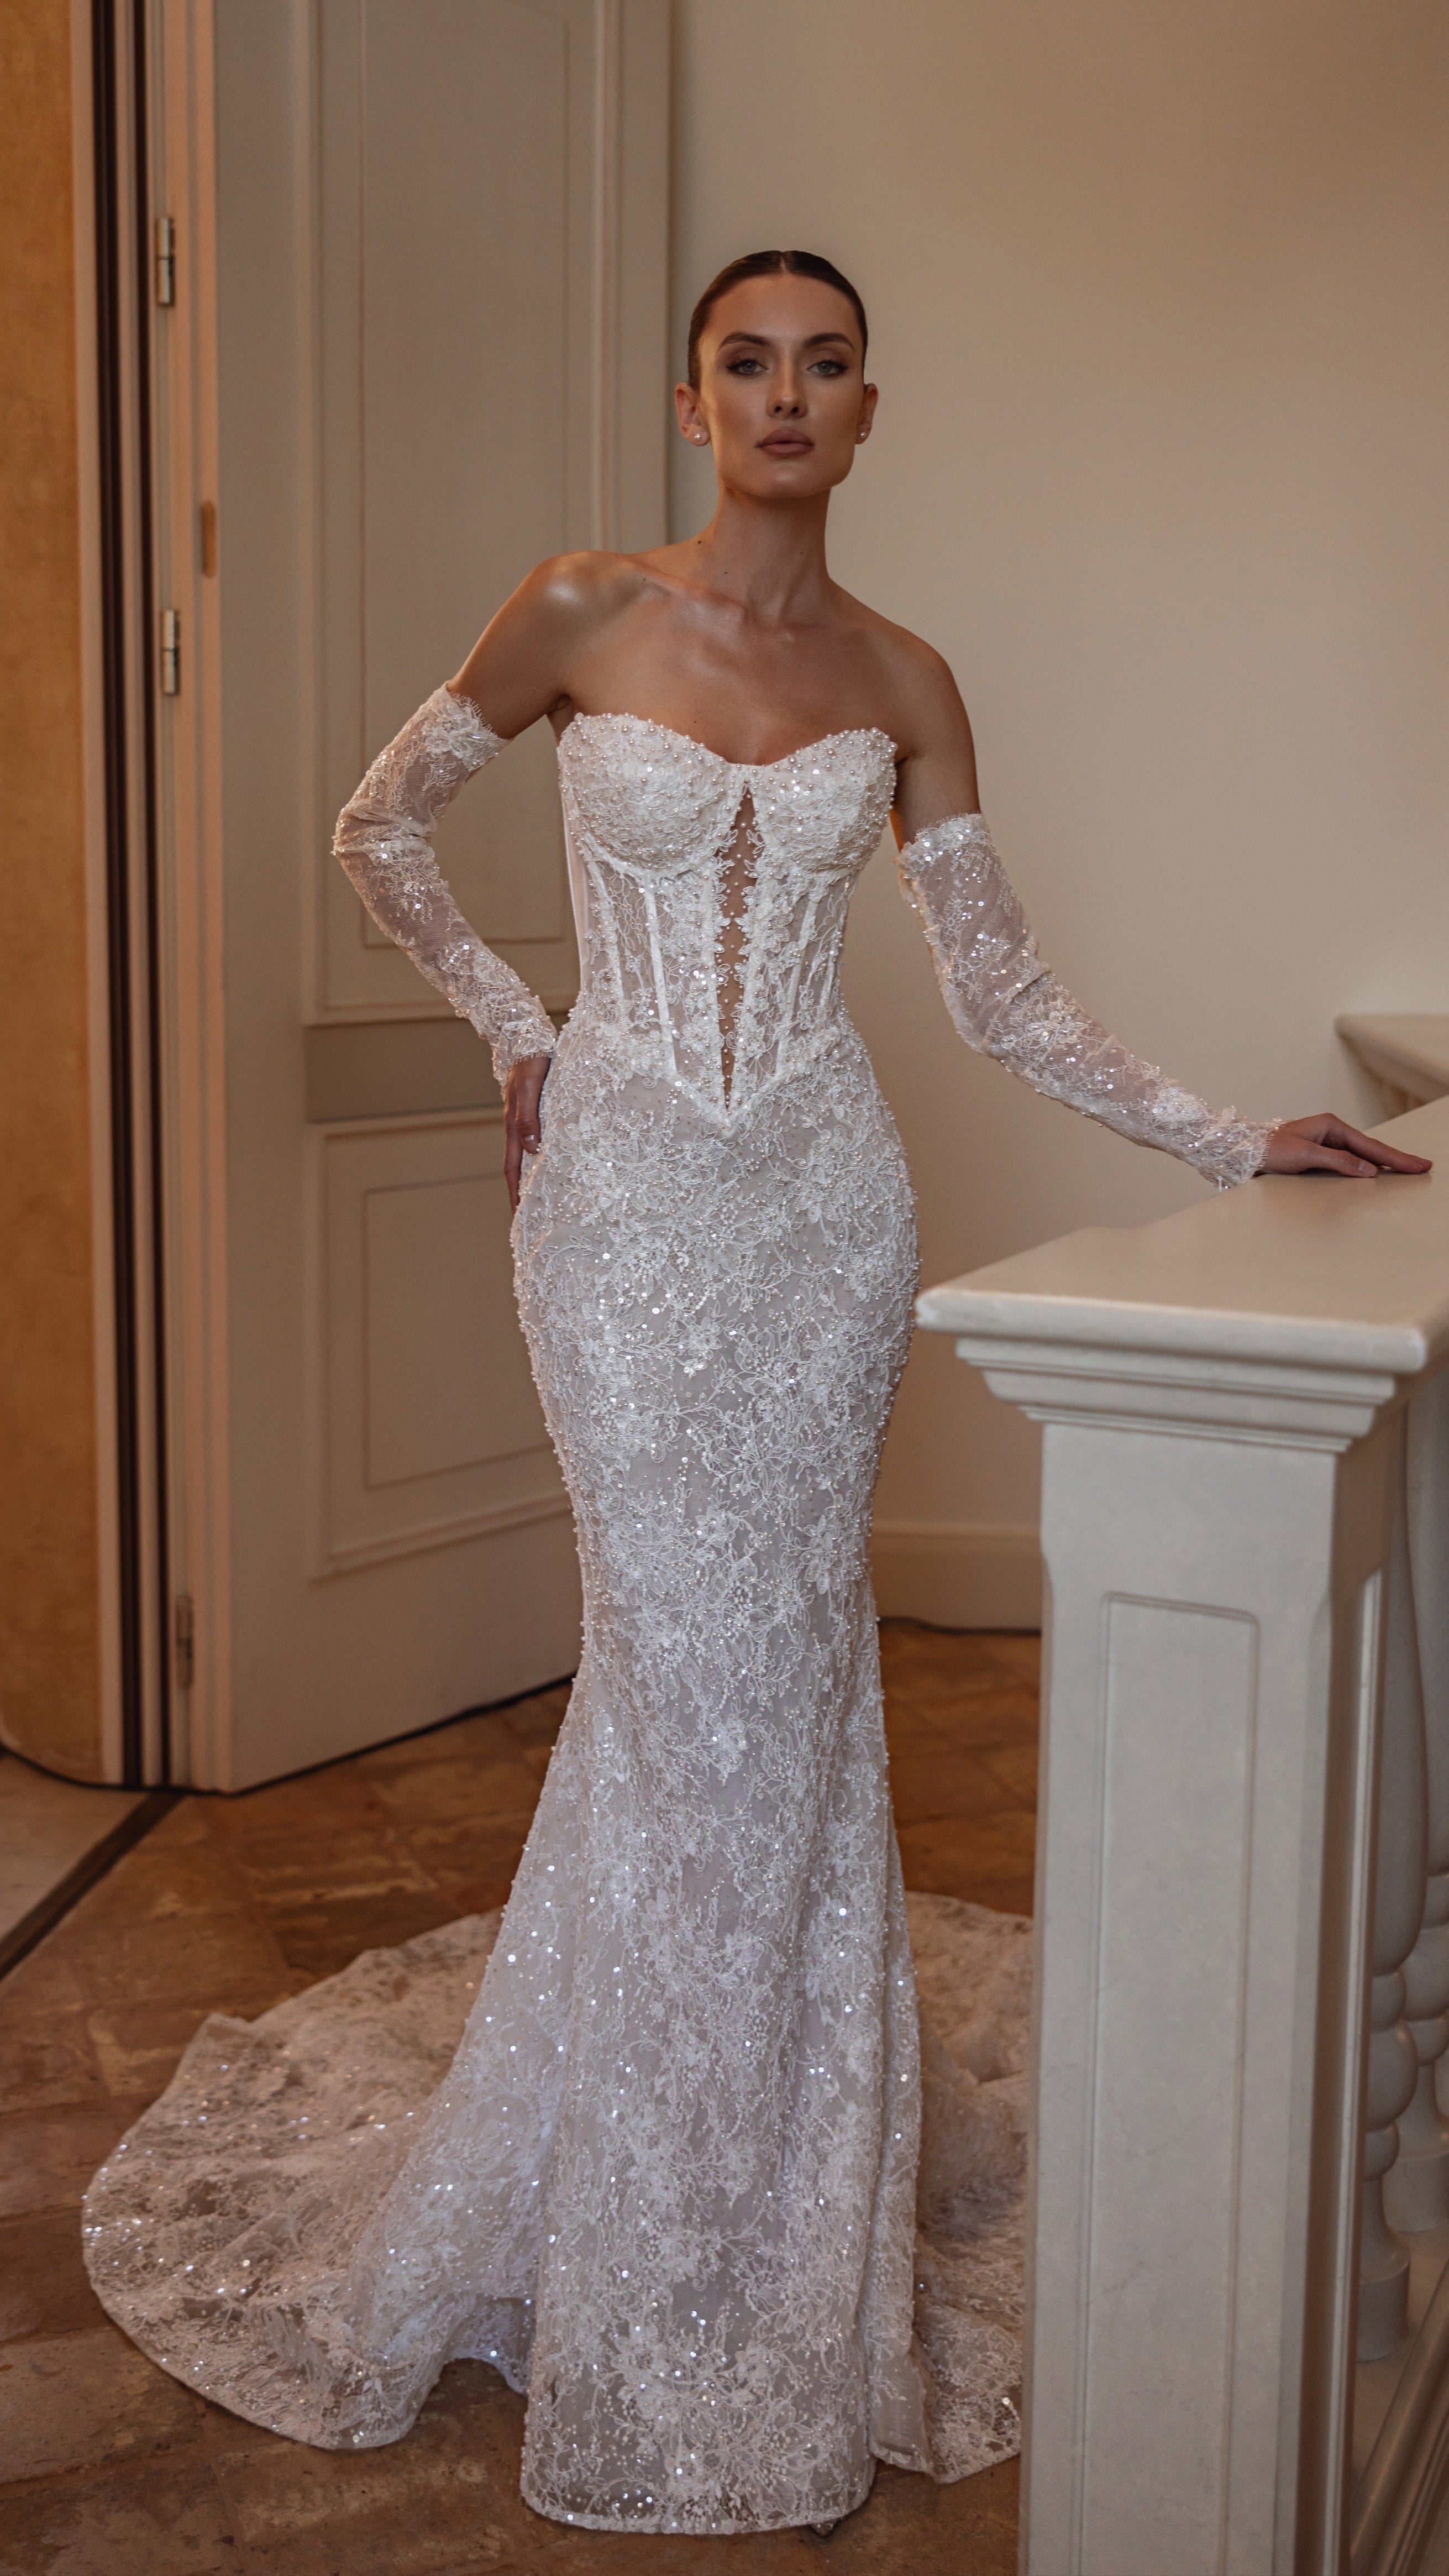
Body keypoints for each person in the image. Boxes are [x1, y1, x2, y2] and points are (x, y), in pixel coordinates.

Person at [83, 250, 1429, 2540]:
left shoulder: (901, 679)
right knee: (675, 1670)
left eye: (821, 367)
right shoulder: (578, 605)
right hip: (617, 1221)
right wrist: (528, 1039)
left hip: (817, 1222)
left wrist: (1235, 1136)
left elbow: (998, 994)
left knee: (781, 1683)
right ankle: (631, 2208)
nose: (781, 396)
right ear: (690, 393)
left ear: (868, 411)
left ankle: (759, 2230)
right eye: (744, 361)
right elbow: (374, 830)